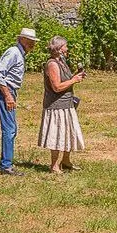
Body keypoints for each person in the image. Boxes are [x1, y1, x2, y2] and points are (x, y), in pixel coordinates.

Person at [38, 34, 87, 174]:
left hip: (67, 103)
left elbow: (65, 80)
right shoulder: (52, 64)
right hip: (56, 106)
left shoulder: (62, 61)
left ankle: (65, 161)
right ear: (59, 48)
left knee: (68, 132)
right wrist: (74, 80)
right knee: (57, 134)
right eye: (65, 46)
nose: (67, 48)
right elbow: (57, 87)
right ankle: (54, 166)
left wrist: (76, 76)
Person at [0, 27, 36, 175]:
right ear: (22, 39)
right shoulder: (14, 52)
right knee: (9, 129)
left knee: (11, 128)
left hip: (9, 91)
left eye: (33, 41)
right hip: (4, 91)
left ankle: (6, 163)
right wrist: (8, 95)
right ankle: (6, 166)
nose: (33, 44)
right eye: (30, 41)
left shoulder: (19, 53)